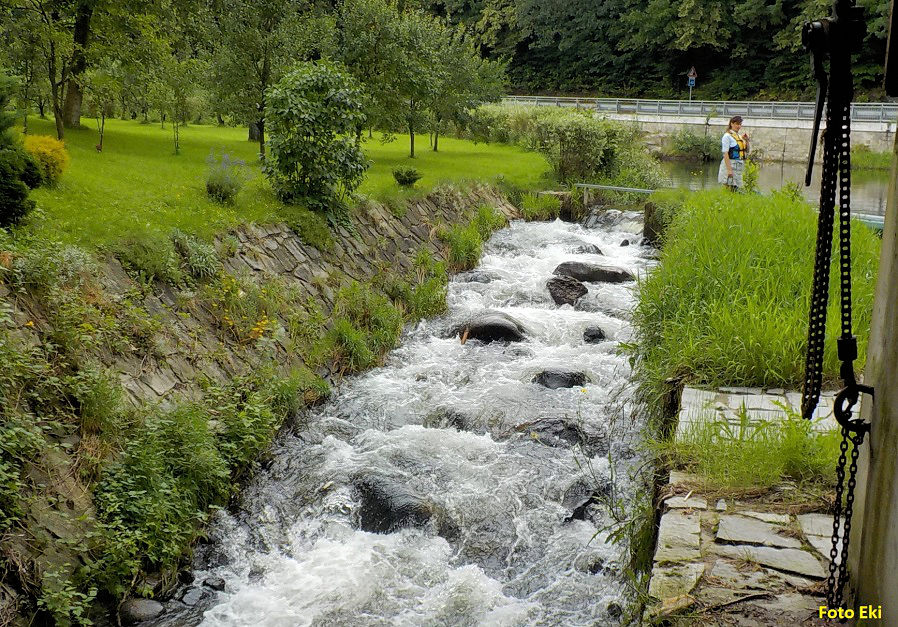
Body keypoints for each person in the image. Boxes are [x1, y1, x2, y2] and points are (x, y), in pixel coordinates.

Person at [718, 115, 750, 190]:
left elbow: (747, 151)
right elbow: (725, 154)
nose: (738, 126)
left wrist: (747, 141)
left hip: (739, 165)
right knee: (728, 187)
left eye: (740, 124)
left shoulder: (739, 136)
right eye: (737, 124)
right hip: (730, 164)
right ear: (731, 124)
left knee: (738, 188)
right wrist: (729, 170)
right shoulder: (727, 136)